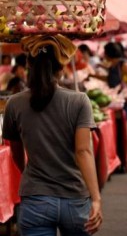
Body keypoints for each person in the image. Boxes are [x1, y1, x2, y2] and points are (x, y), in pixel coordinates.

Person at [2, 34, 102, 236]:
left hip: (35, 199)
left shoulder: (14, 103)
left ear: (30, 66)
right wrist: (96, 198)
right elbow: (83, 151)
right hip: (74, 199)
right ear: (61, 67)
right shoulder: (79, 101)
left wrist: (33, 173)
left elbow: (15, 152)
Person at [90, 42, 127, 162]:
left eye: (105, 52)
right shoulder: (115, 64)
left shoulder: (123, 64)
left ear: (109, 53)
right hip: (123, 97)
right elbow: (110, 79)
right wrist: (93, 75)